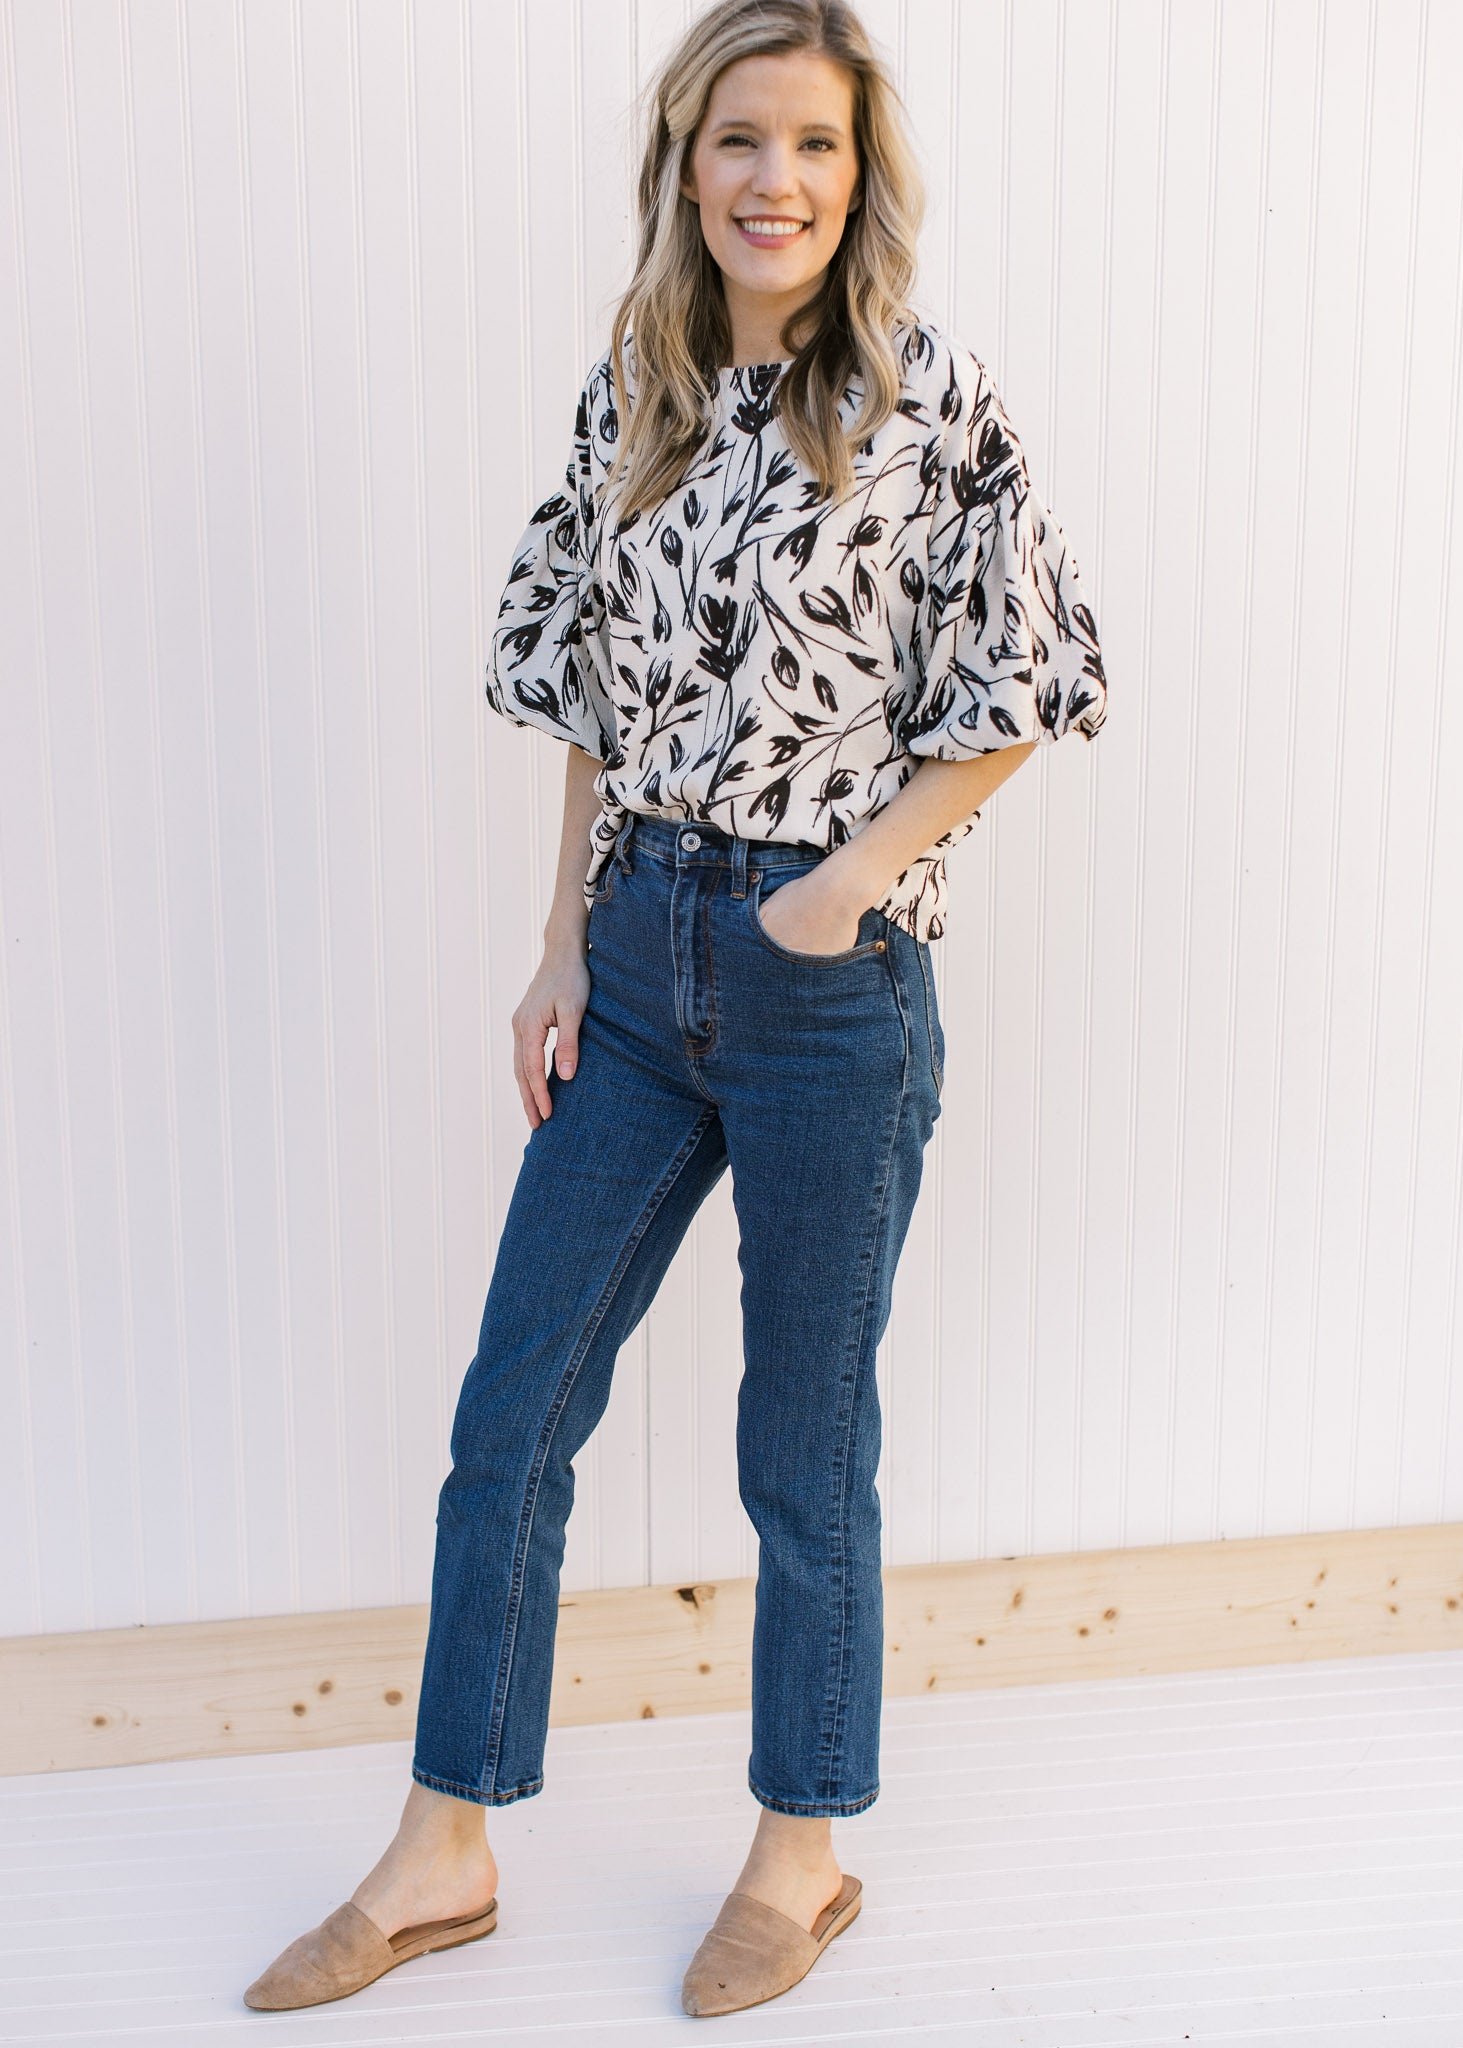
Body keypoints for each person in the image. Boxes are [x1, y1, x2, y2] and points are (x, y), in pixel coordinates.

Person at [243, 0, 1106, 2021]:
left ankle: (802, 1856)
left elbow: (1030, 683)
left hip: (830, 993)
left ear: (858, 171)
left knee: (801, 1450)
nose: (772, 181)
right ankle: (443, 1842)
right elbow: (581, 694)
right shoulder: (633, 387)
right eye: (738, 140)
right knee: (509, 1411)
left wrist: (837, 887)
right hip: (636, 972)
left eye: (810, 144)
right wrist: (559, 942)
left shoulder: (929, 397)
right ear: (685, 162)